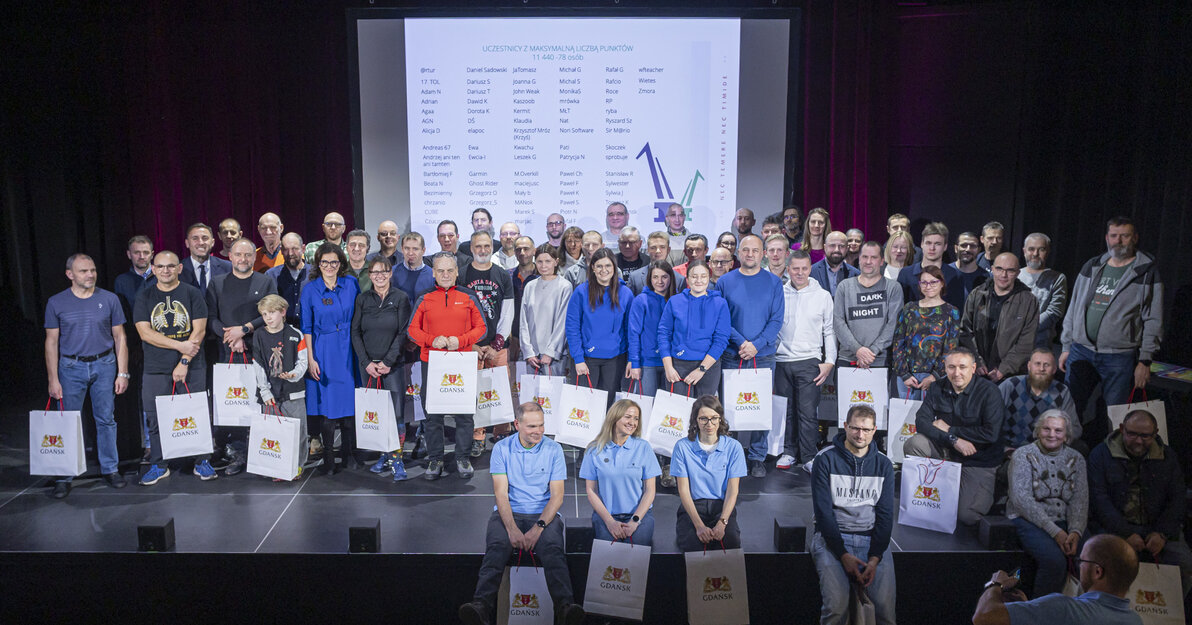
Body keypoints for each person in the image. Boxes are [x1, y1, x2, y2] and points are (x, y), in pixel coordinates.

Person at [457, 402, 585, 625]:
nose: (538, 431)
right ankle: (481, 606)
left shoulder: (553, 449)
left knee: (553, 550)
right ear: (517, 425)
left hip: (543, 514)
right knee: (497, 549)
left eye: (542, 425)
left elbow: (557, 497)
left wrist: (538, 529)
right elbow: (501, 494)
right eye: (532, 426)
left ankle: (565, 608)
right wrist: (512, 529)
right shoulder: (501, 449)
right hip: (510, 512)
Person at [1060, 216, 1162, 447]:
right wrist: (1067, 346)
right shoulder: (1093, 265)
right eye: (1114, 236)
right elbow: (1074, 306)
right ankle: (1064, 457)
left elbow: (1154, 319)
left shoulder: (1146, 272)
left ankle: (1109, 464)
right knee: (1069, 408)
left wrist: (1145, 360)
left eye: (1125, 235)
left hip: (1119, 355)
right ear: (1107, 238)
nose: (1119, 241)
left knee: (1114, 415)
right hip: (1081, 350)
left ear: (1134, 238)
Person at [44, 254, 130, 497]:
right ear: (70, 274)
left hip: (104, 364)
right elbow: (51, 342)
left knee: (106, 419)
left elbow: (120, 337)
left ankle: (110, 469)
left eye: (92, 270)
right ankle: (64, 474)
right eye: (83, 271)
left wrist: (122, 372)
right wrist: (53, 378)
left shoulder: (109, 299)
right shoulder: (56, 302)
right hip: (71, 368)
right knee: (68, 421)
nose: (90, 275)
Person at [1088, 409, 1192, 600]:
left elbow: (1177, 498)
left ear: (1155, 433)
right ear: (1122, 429)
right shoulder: (1101, 454)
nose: (1138, 441)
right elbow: (1099, 500)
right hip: (1115, 527)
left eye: (1145, 436)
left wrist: (1162, 533)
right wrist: (1125, 532)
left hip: (1157, 528)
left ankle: (1172, 615)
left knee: (1184, 563)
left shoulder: (1167, 456)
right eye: (1132, 434)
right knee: (1105, 564)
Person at [134, 250, 215, 485]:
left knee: (197, 413)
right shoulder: (145, 296)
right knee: (155, 417)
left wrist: (184, 361)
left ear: (180, 268)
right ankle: (159, 464)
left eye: (170, 266)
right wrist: (180, 345)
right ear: (153, 269)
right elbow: (145, 332)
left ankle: (202, 460)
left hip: (193, 365)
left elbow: (199, 330)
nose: (165, 271)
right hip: (155, 367)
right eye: (160, 266)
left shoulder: (193, 293)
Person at [811, 405, 896, 625]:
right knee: (836, 608)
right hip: (832, 540)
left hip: (871, 541)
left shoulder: (884, 464)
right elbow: (823, 513)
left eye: (866, 430)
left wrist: (875, 558)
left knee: (885, 609)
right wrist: (842, 554)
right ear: (846, 426)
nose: (860, 435)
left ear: (875, 430)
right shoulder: (824, 459)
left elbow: (886, 516)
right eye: (856, 428)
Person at [407, 253, 487, 480]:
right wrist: (431, 340)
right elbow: (412, 330)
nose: (445, 274)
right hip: (432, 363)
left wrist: (460, 341)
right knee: (433, 415)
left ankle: (462, 458)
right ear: (433, 272)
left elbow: (482, 328)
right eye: (440, 270)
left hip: (462, 362)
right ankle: (435, 459)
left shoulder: (469, 297)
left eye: (449, 270)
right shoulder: (424, 298)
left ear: (456, 272)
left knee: (464, 414)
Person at [905, 348, 1005, 525]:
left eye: (962, 367)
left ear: (973, 368)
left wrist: (950, 429)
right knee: (914, 443)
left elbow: (990, 433)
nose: (956, 373)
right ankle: (937, 493)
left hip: (978, 460)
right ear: (945, 367)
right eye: (951, 367)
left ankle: (990, 491)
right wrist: (954, 439)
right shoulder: (937, 387)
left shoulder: (990, 392)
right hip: (948, 452)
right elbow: (922, 422)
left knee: (967, 516)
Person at [714, 233, 785, 477]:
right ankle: (729, 453)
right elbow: (721, 319)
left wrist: (756, 344)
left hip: (763, 355)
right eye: (745, 250)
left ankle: (756, 456)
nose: (750, 254)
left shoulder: (774, 282)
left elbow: (776, 320)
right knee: (729, 407)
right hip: (732, 355)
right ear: (739, 254)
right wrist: (742, 342)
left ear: (763, 253)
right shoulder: (725, 282)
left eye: (755, 250)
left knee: (759, 407)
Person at [206, 238, 277, 475]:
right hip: (227, 354)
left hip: (257, 351)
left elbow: (272, 312)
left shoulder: (265, 281)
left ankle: (260, 451)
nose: (243, 259)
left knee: (258, 400)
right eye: (238, 255)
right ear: (230, 256)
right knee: (233, 403)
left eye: (248, 255)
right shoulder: (216, 283)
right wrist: (230, 337)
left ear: (253, 258)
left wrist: (244, 330)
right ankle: (237, 453)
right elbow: (211, 317)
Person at [971, 534, 1142, 625]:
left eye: (1082, 562)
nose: (1079, 567)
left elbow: (983, 617)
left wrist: (995, 584)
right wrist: (1030, 610)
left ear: (1098, 572)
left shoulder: (1063, 609)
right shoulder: (1135, 620)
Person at [1006, 409, 1088, 598]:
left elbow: (1080, 499)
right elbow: (1021, 499)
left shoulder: (1077, 459)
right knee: (1054, 561)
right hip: (1028, 520)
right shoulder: (1023, 455)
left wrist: (1075, 531)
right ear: (1037, 431)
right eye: (1046, 429)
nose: (1052, 435)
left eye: (1058, 431)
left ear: (1066, 435)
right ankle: (1041, 613)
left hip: (1066, 521)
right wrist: (1055, 532)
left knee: (1090, 557)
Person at [301, 242, 360, 475]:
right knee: (327, 405)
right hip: (323, 348)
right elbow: (306, 326)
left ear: (340, 264)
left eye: (334, 262)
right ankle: (328, 458)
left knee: (349, 405)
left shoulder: (351, 284)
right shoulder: (310, 289)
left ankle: (349, 454)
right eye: (324, 262)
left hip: (349, 348)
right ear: (318, 264)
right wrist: (310, 358)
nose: (329, 266)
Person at [351, 256, 412, 481]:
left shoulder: (401, 298)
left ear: (390, 273)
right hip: (367, 367)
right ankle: (384, 455)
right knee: (376, 414)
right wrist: (367, 363)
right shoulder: (362, 300)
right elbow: (355, 332)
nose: (379, 276)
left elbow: (403, 332)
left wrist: (387, 362)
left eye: (383, 272)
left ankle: (396, 459)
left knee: (396, 414)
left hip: (392, 366)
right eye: (374, 272)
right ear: (370, 274)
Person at [774, 250, 836, 469]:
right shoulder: (779, 293)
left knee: (808, 413)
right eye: (795, 268)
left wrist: (829, 361)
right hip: (781, 361)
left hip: (810, 360)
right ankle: (789, 452)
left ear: (810, 269)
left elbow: (829, 331)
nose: (800, 273)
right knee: (787, 412)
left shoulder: (823, 296)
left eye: (804, 268)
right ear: (788, 269)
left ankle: (809, 456)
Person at [458, 231, 516, 457]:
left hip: (497, 346)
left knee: (499, 391)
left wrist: (497, 344)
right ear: (471, 248)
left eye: (486, 246)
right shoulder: (462, 275)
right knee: (475, 393)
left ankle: (502, 434)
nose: (483, 250)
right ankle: (477, 436)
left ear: (492, 248)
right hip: (471, 347)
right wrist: (471, 343)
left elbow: (507, 312)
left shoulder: (502, 275)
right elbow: (459, 313)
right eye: (478, 246)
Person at [672, 395, 747, 551]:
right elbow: (683, 490)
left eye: (714, 418)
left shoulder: (734, 447)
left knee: (731, 541)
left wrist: (722, 523)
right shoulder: (682, 447)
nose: (709, 424)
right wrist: (699, 525)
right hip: (693, 506)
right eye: (703, 419)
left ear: (720, 419)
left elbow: (733, 490)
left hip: (722, 506)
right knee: (692, 543)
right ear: (696, 421)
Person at [581, 399, 662, 544]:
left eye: (636, 418)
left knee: (636, 553)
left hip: (639, 516)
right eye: (628, 417)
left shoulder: (643, 447)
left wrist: (634, 521)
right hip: (607, 515)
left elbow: (650, 491)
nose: (633, 422)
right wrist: (609, 522)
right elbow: (591, 491)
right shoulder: (594, 450)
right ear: (614, 417)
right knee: (608, 557)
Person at [250, 294, 309, 480]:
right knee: (274, 433)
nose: (268, 317)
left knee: (298, 431)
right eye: (264, 314)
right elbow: (258, 365)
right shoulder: (259, 335)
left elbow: (303, 362)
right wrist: (265, 391)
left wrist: (294, 375)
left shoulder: (295, 334)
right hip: (270, 395)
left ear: (283, 312)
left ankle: (297, 466)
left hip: (294, 393)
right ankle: (278, 466)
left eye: (272, 313)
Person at [565, 248, 632, 403]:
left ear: (614, 268)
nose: (604, 270)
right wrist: (578, 359)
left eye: (608, 266)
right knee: (584, 406)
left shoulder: (626, 293)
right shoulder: (581, 292)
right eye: (599, 266)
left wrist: (632, 360)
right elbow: (572, 327)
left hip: (615, 359)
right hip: (586, 360)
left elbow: (630, 330)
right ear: (593, 268)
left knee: (608, 406)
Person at [959, 252, 1039, 382]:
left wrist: (1004, 369)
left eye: (1010, 270)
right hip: (977, 372)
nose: (1004, 275)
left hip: (1011, 375)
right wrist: (976, 362)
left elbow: (1026, 342)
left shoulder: (1028, 301)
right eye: (999, 269)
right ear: (992, 269)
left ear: (1018, 273)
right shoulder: (977, 295)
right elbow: (965, 333)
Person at [659, 260, 731, 399]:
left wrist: (701, 369)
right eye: (694, 276)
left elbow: (721, 340)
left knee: (704, 413)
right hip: (678, 366)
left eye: (703, 276)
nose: (699, 280)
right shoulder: (675, 302)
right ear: (687, 279)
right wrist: (668, 367)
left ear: (709, 278)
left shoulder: (720, 303)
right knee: (679, 413)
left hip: (708, 367)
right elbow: (663, 334)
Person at [113, 235, 155, 460]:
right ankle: (148, 443)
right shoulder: (122, 281)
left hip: (163, 346)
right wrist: (134, 346)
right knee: (142, 397)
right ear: (129, 255)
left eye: (145, 252)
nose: (141, 256)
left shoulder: (162, 276)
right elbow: (123, 317)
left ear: (152, 254)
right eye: (137, 252)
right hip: (135, 347)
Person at [890, 265, 960, 399]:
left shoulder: (951, 312)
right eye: (924, 282)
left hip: (936, 377)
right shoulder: (909, 308)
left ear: (942, 284)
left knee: (931, 418)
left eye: (933, 282)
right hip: (907, 377)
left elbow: (950, 348)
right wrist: (904, 374)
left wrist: (934, 376)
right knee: (905, 419)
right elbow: (898, 342)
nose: (928, 286)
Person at [833, 241, 903, 373]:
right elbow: (838, 322)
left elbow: (893, 324)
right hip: (848, 359)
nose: (868, 261)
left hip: (879, 360)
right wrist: (858, 350)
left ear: (882, 261)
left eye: (874, 257)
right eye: (864, 257)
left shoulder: (893, 288)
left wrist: (872, 351)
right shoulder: (844, 286)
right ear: (859, 259)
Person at [1000, 349, 1080, 451]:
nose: (1041, 369)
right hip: (1008, 447)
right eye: (1037, 364)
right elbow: (989, 418)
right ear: (1029, 366)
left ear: (1054, 369)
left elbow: (1075, 428)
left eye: (1046, 365)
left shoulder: (1062, 392)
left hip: (1044, 450)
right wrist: (1003, 448)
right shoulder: (1011, 385)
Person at [520, 243, 572, 377]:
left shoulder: (565, 286)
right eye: (539, 261)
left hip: (555, 356)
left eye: (548, 261)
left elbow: (563, 322)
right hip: (532, 356)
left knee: (553, 396)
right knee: (531, 396)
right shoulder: (530, 286)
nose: (543, 266)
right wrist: (528, 351)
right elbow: (523, 321)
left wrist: (551, 352)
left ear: (556, 262)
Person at [628, 260, 676, 400]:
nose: (659, 281)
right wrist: (635, 362)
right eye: (655, 277)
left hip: (672, 363)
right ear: (649, 278)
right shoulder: (641, 300)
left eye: (664, 277)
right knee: (646, 405)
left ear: (671, 278)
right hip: (648, 362)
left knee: (668, 407)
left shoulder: (677, 300)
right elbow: (633, 334)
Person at [896, 222, 965, 310]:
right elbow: (900, 309)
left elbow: (958, 311)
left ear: (945, 247)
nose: (932, 248)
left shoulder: (955, 275)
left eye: (937, 244)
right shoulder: (906, 274)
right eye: (928, 243)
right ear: (921, 244)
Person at [1019, 233, 1069, 349]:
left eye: (1041, 249)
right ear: (1024, 251)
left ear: (1048, 251)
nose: (1035, 254)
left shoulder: (1057, 278)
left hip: (1040, 344)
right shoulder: (1015, 275)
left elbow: (1054, 311)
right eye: (1031, 249)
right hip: (1013, 343)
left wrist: (1027, 328)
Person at [265, 233, 308, 327]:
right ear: (281, 251)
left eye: (295, 249)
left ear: (303, 249)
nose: (290, 253)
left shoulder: (316, 274)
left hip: (311, 332)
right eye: (286, 249)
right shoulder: (271, 275)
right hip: (282, 332)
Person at [508, 235, 538, 366]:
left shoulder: (544, 275)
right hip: (513, 338)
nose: (522, 253)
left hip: (538, 338)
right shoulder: (507, 276)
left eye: (526, 249)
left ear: (534, 251)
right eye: (518, 249)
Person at [179, 222, 231, 295]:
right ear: (187, 243)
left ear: (212, 242)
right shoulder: (177, 270)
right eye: (195, 238)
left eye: (205, 238)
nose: (201, 242)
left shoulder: (228, 268)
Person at [810, 230, 860, 297]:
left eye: (841, 246)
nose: (836, 250)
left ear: (847, 249)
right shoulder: (811, 272)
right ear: (825, 247)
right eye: (832, 245)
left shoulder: (856, 275)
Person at [391, 232, 435, 304]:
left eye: (415, 249)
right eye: (407, 248)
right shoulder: (392, 273)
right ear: (402, 249)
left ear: (423, 250)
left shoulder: (433, 275)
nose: (410, 253)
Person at [952, 231, 990, 302]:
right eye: (963, 245)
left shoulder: (987, 278)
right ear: (956, 248)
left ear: (979, 250)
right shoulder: (944, 272)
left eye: (973, 246)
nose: (968, 249)